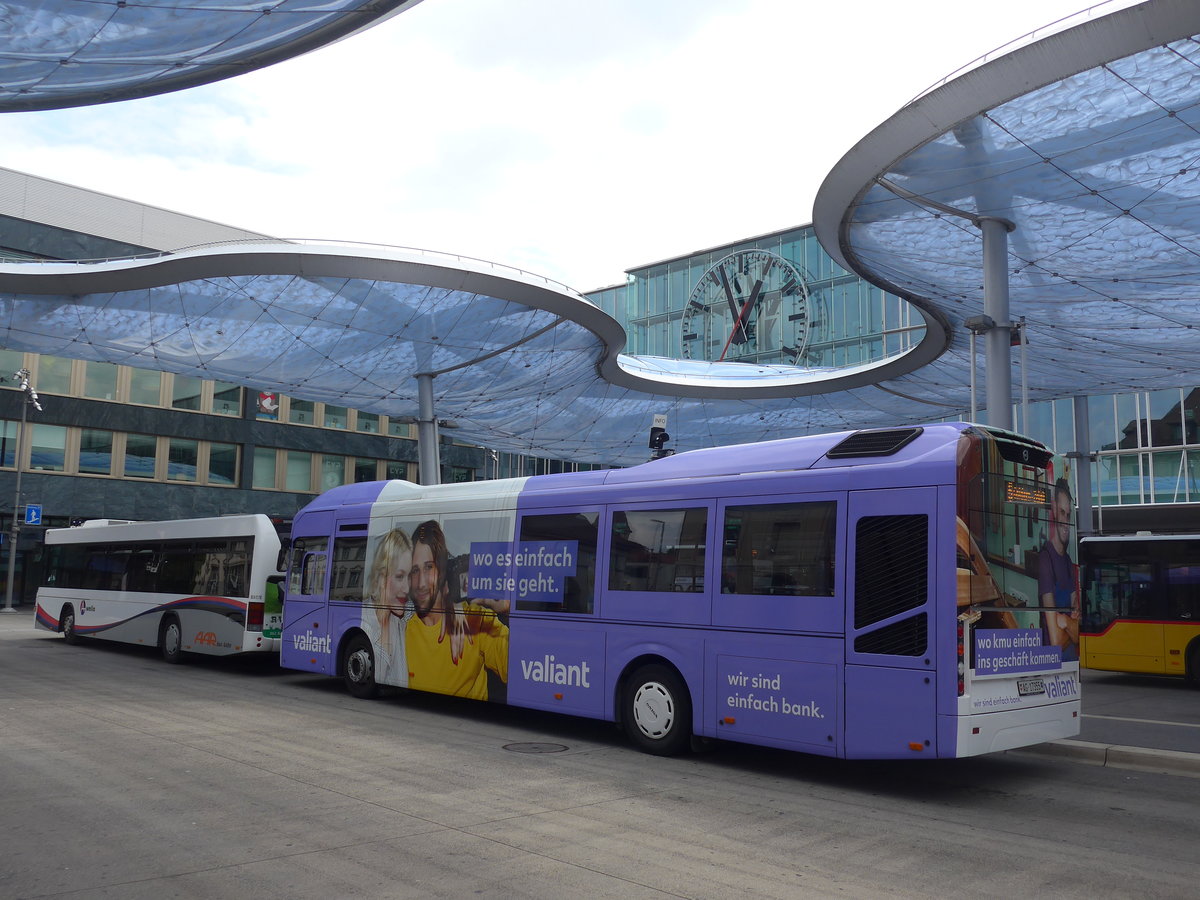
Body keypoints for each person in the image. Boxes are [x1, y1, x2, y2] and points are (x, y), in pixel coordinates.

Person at [406, 520, 508, 700]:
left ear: (442, 569)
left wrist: (509, 610)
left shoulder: (476, 619)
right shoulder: (402, 629)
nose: (421, 583)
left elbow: (522, 671)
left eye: (429, 567)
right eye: (415, 570)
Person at [363, 527, 413, 687]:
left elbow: (437, 603)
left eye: (409, 577)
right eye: (399, 576)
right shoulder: (363, 622)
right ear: (381, 576)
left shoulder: (403, 617)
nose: (407, 588)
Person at [1038, 478, 1080, 660]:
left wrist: (1064, 621)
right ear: (1054, 510)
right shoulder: (1045, 559)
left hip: (1069, 664)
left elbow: (1079, 633)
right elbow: (1055, 641)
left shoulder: (1069, 561)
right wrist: (1071, 625)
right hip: (1052, 662)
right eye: (1062, 513)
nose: (1066, 523)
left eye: (1069, 515)